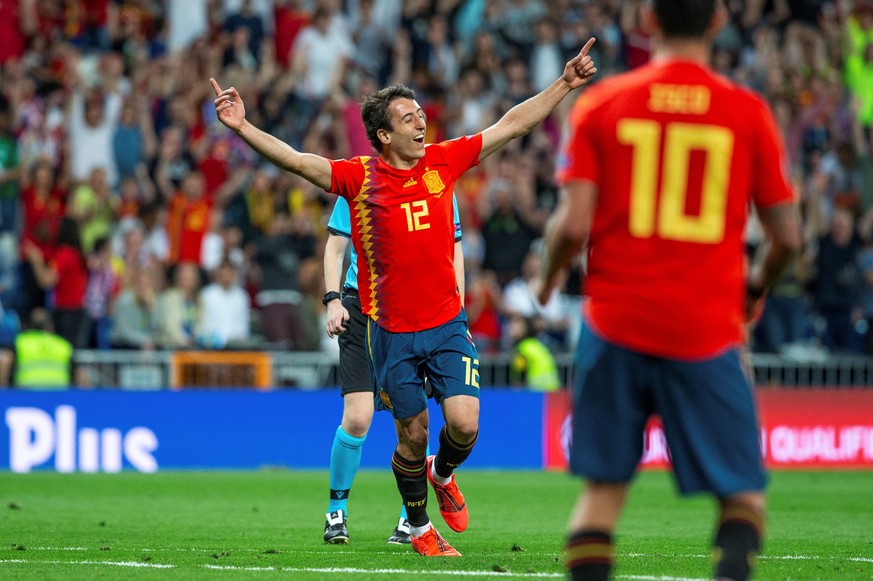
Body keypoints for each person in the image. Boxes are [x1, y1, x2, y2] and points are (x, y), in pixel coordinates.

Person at [210, 39, 596, 557]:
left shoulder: (443, 162)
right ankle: (418, 530)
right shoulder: (360, 178)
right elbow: (298, 161)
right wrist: (243, 127)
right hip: (389, 334)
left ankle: (443, 474)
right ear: (384, 135)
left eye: (421, 114)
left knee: (464, 424)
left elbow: (511, 124)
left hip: (446, 324)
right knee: (410, 434)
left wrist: (564, 84)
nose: (422, 123)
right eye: (409, 118)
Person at [535, 3, 801, 580]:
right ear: (719, 21)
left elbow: (573, 226)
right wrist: (754, 289)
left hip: (615, 324)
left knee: (602, 496)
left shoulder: (601, 104)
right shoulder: (746, 112)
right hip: (705, 329)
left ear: (648, 22)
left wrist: (550, 275)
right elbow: (788, 238)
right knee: (743, 496)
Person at [321, 194, 463, 545]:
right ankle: (335, 512)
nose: (419, 135)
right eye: (412, 132)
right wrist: (333, 299)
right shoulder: (359, 184)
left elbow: (453, 249)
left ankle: (410, 515)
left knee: (415, 420)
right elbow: (335, 246)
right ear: (384, 136)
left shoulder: (438, 183)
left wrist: (456, 308)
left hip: (419, 312)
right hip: (360, 307)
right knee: (357, 417)